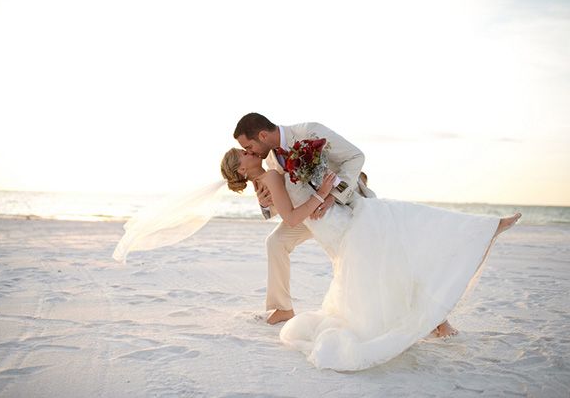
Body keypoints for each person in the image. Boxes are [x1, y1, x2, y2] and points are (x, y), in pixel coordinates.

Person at [219, 146, 521, 371]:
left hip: (335, 218)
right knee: (400, 242)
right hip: (331, 223)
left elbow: (293, 196)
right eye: (243, 153)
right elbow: (290, 214)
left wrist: (323, 192)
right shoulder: (268, 177)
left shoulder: (274, 165)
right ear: (242, 170)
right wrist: (319, 193)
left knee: (398, 244)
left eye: (246, 147)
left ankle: (445, 309)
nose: (249, 151)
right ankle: (480, 232)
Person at [232, 112, 376, 325]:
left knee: (371, 258)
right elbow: (284, 198)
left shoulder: (309, 132)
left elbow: (356, 157)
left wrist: (331, 196)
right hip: (308, 213)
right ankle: (282, 308)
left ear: (262, 135)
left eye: (249, 147)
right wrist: (265, 205)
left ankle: (432, 318)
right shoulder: (271, 159)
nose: (249, 152)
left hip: (342, 205)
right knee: (276, 242)